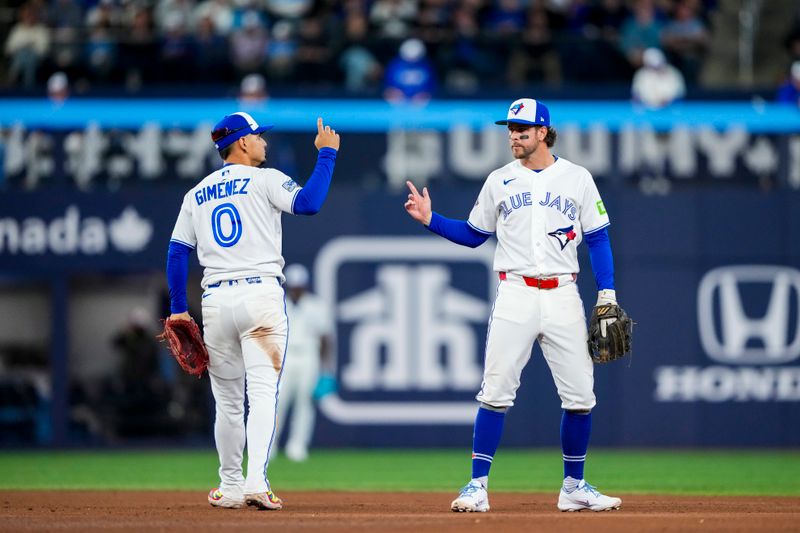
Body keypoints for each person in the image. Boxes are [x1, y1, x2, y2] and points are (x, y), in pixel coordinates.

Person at [404, 98, 623, 513]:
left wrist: (607, 293)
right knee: (496, 391)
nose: (513, 136)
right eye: (510, 129)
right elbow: (473, 235)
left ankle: (574, 485)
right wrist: (431, 220)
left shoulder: (577, 178)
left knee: (580, 397)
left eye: (522, 129)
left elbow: (598, 237)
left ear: (543, 132)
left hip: (563, 294)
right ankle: (477, 486)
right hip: (516, 293)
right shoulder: (498, 180)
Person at [165, 111, 340, 510]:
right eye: (258, 136)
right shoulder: (266, 179)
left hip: (215, 301)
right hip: (259, 297)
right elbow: (309, 204)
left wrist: (178, 308)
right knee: (261, 394)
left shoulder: (197, 193)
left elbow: (177, 250)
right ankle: (256, 482)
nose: (264, 141)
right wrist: (327, 155)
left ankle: (228, 487)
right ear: (242, 142)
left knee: (227, 401)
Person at [273, 263, 333, 462]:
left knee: (305, 402)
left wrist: (326, 370)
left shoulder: (316, 305)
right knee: (278, 402)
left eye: (300, 286)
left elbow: (325, 339)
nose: (297, 290)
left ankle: (297, 446)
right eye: (294, 286)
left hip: (308, 356)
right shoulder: (278, 303)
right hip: (285, 356)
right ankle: (269, 446)